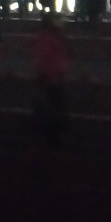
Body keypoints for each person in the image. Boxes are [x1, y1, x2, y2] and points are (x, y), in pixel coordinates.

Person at [32, 14, 70, 147]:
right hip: (52, 77)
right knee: (55, 107)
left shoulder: (51, 36)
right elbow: (46, 58)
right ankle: (52, 136)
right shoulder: (49, 37)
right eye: (59, 20)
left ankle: (51, 134)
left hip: (53, 76)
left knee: (53, 106)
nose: (63, 22)